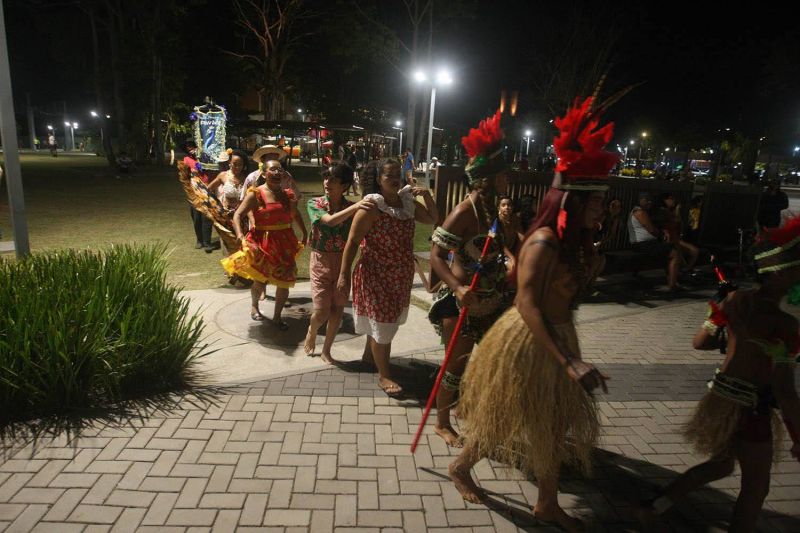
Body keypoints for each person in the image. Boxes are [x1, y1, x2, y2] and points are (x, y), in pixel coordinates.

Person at [448, 97, 613, 532]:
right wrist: (569, 360)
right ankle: (462, 467)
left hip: (558, 336)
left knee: (553, 421)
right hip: (527, 340)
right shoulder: (542, 241)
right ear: (572, 201)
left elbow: (565, 298)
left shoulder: (576, 244)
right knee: (505, 415)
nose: (602, 209)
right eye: (595, 201)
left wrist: (591, 268)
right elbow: (526, 303)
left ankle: (545, 503)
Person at [636, 216, 800, 531]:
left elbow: (700, 343)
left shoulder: (735, 300)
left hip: (721, 398)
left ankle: (654, 507)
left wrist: (722, 319)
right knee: (756, 488)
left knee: (721, 465)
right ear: (780, 273)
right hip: (751, 408)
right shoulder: (785, 325)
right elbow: (785, 390)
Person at [428, 111, 513, 446]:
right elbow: (436, 254)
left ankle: (480, 412)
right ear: (488, 179)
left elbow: (504, 248)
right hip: (460, 304)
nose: (508, 179)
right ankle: (442, 422)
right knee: (455, 367)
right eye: (503, 174)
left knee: (498, 362)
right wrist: (458, 286)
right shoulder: (465, 212)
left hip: (492, 301)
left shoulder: (495, 211)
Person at [336, 158, 438, 395]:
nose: (394, 179)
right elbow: (351, 242)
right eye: (388, 175)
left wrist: (428, 196)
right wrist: (343, 275)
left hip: (400, 276)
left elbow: (433, 218)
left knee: (384, 322)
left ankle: (369, 357)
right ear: (378, 180)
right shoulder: (371, 207)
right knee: (383, 325)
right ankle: (385, 376)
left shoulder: (407, 204)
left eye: (397, 175)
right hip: (375, 275)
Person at [222, 159, 307, 329]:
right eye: (272, 169)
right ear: (264, 173)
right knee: (260, 280)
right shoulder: (256, 194)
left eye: (280, 170)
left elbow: (294, 213)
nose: (277, 173)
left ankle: (277, 317)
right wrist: (240, 234)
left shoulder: (287, 194)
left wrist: (304, 232)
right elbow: (238, 215)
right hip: (262, 242)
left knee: (285, 281)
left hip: (284, 243)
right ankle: (255, 307)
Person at [304, 164, 375, 363]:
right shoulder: (314, 203)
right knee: (321, 311)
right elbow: (329, 222)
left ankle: (326, 350)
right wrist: (356, 206)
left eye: (334, 179)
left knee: (337, 308)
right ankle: (312, 329)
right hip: (320, 260)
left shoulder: (352, 208)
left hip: (343, 261)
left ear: (344, 185)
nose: (328, 182)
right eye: (326, 178)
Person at [628, 191, 681, 291]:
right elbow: (651, 230)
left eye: (650, 201)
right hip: (643, 245)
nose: (649, 203)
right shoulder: (640, 212)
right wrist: (661, 235)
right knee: (675, 253)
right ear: (640, 201)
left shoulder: (641, 211)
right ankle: (672, 285)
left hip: (645, 244)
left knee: (670, 249)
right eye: (646, 200)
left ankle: (671, 280)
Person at [183, 139, 216, 253]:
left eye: (192, 147)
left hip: (207, 192)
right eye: (188, 148)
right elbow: (184, 176)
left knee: (207, 218)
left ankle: (207, 242)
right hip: (194, 193)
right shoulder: (187, 160)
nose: (191, 150)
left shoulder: (209, 160)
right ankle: (199, 240)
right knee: (196, 218)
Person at [656, 192, 699, 272]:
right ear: (665, 200)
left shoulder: (672, 211)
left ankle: (685, 269)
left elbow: (679, 225)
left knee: (694, 251)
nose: (673, 201)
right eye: (671, 199)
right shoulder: (662, 212)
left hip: (676, 239)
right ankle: (677, 273)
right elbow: (663, 226)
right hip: (669, 240)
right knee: (679, 254)